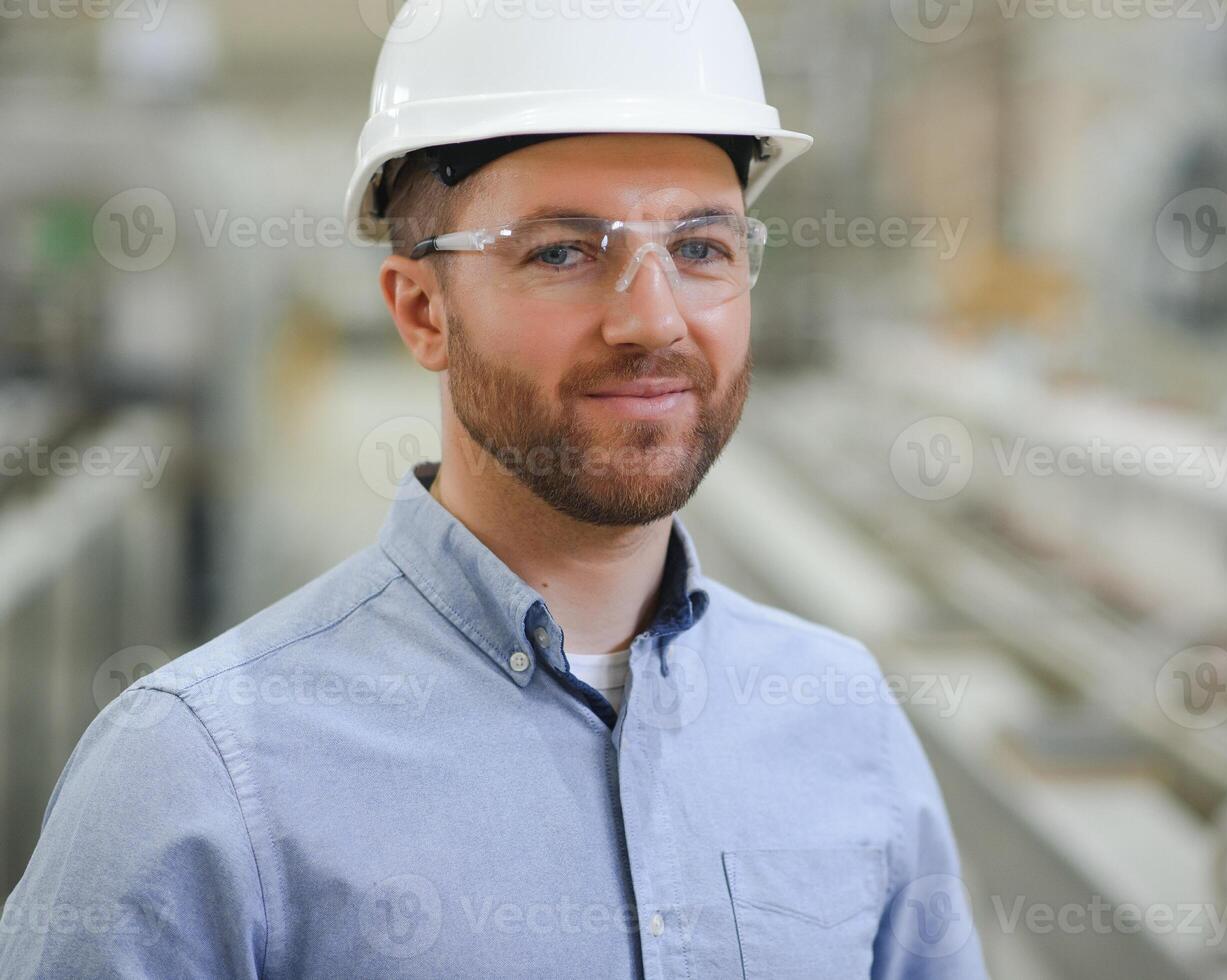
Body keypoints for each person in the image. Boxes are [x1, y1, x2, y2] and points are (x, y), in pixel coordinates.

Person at [0, 2, 987, 976]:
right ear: (421, 309)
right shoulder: (200, 776)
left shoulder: (842, 720)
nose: (653, 319)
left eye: (700, 247)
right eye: (562, 250)